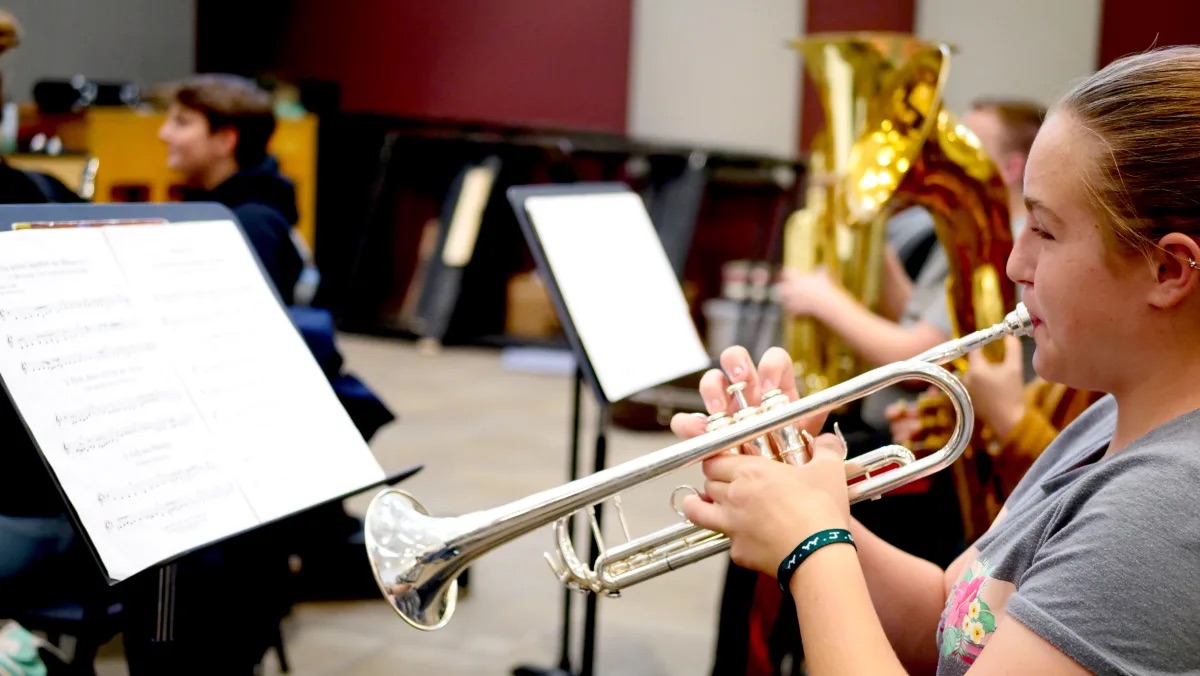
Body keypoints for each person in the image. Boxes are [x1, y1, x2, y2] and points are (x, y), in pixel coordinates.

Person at [673, 45, 1200, 674]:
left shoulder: (1165, 507)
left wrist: (810, 546)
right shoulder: (1112, 421)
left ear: (1167, 269)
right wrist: (798, 499)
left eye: (1046, 232)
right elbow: (947, 619)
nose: (1014, 264)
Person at [157, 73, 305, 304]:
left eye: (182, 122)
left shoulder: (252, 224)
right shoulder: (213, 207)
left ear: (225, 140)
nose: (163, 134)